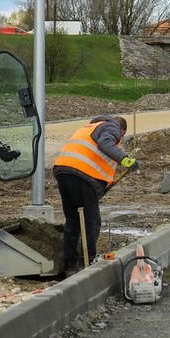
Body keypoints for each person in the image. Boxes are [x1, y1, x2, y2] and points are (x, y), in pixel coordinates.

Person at [53, 115, 138, 275]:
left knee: (73, 219)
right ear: (123, 131)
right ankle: (87, 262)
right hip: (82, 174)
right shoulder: (112, 127)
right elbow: (105, 143)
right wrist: (125, 160)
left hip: (62, 170)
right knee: (91, 221)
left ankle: (70, 266)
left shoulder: (89, 128)